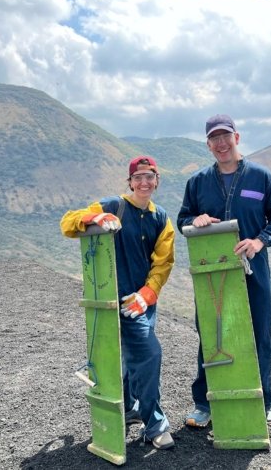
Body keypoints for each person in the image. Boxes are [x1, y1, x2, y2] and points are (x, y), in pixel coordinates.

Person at [177, 114, 271, 428]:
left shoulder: (261, 178)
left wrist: (259, 241)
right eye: (214, 138)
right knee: (211, 334)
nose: (221, 143)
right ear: (208, 144)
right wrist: (195, 220)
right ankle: (204, 404)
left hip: (255, 272)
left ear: (236, 138)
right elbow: (183, 220)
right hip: (213, 274)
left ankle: (266, 402)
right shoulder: (198, 182)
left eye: (225, 136)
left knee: (259, 335)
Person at [60, 156, 176, 450]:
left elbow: (163, 263)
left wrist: (147, 295)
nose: (144, 182)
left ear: (157, 181)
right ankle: (153, 424)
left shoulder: (161, 218)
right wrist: (92, 219)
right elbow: (68, 222)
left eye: (149, 177)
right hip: (112, 302)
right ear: (130, 182)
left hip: (141, 304)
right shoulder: (113, 205)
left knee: (136, 357)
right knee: (145, 356)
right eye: (138, 177)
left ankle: (132, 411)